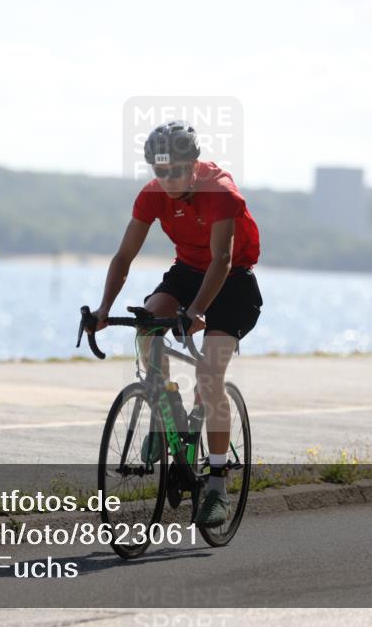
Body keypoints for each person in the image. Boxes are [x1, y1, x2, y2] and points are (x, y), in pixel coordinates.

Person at [90, 120, 263, 526]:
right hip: (186, 272)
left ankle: (217, 481)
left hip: (232, 282)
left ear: (194, 163)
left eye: (174, 171)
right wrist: (102, 309)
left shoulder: (219, 191)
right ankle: (167, 408)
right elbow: (124, 257)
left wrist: (197, 312)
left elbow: (221, 260)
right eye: (159, 171)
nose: (166, 180)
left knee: (210, 374)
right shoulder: (152, 196)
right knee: (147, 325)